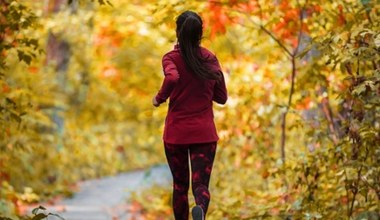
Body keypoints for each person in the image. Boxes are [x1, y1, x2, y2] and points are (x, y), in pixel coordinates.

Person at [152, 10, 227, 220]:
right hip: (204, 134)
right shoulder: (210, 58)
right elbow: (222, 97)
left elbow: (173, 77)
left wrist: (159, 98)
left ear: (178, 31)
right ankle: (200, 210)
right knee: (201, 185)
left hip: (176, 135)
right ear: (200, 33)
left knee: (180, 185)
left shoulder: (170, 58)